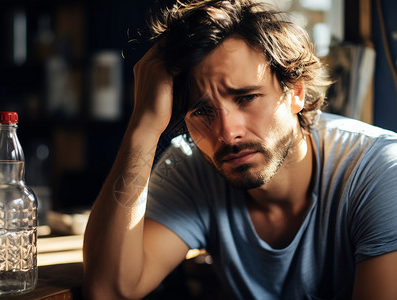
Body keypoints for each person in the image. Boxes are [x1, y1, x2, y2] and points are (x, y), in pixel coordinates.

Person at [83, 0, 397, 299]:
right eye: (202, 111)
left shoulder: (380, 170)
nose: (227, 133)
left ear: (296, 92)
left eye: (246, 98)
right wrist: (144, 127)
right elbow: (109, 290)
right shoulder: (191, 167)